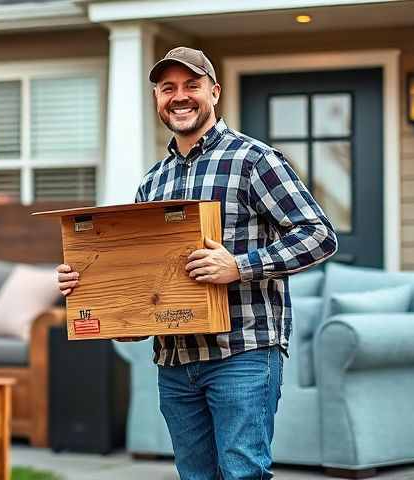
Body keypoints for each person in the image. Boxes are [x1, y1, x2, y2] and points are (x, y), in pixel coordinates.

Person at [56, 47, 337, 480]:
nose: (179, 96)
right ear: (157, 99)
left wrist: (239, 266)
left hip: (242, 353)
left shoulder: (254, 161)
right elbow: (141, 278)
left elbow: (319, 235)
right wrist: (89, 285)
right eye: (168, 88)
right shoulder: (153, 181)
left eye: (192, 85)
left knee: (243, 473)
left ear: (215, 92)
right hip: (175, 361)